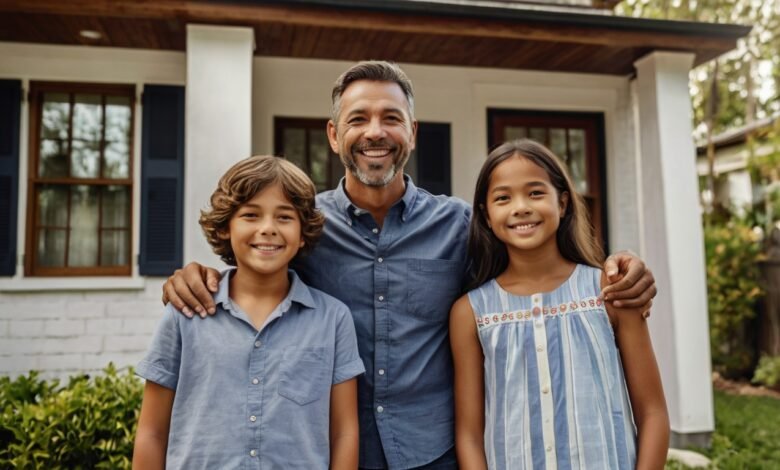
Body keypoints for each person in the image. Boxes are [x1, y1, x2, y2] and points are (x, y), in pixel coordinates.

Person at [161, 61, 658, 469]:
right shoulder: (305, 228)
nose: (374, 132)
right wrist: (203, 275)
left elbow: (535, 264)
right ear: (334, 135)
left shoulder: (462, 226)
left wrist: (619, 266)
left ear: (412, 132)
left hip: (436, 452)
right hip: (336, 450)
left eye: (391, 118)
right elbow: (256, 270)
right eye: (358, 119)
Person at [133, 156, 365, 469]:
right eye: (251, 215)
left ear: (302, 231)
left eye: (284, 217)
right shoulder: (185, 313)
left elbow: (344, 433)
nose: (267, 229)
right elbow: (152, 432)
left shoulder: (333, 320)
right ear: (226, 226)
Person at [450, 140, 669, 469]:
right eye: (503, 198)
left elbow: (653, 413)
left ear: (563, 202)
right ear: (486, 214)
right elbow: (469, 434)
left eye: (536, 193)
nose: (521, 207)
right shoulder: (470, 313)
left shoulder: (610, 292)